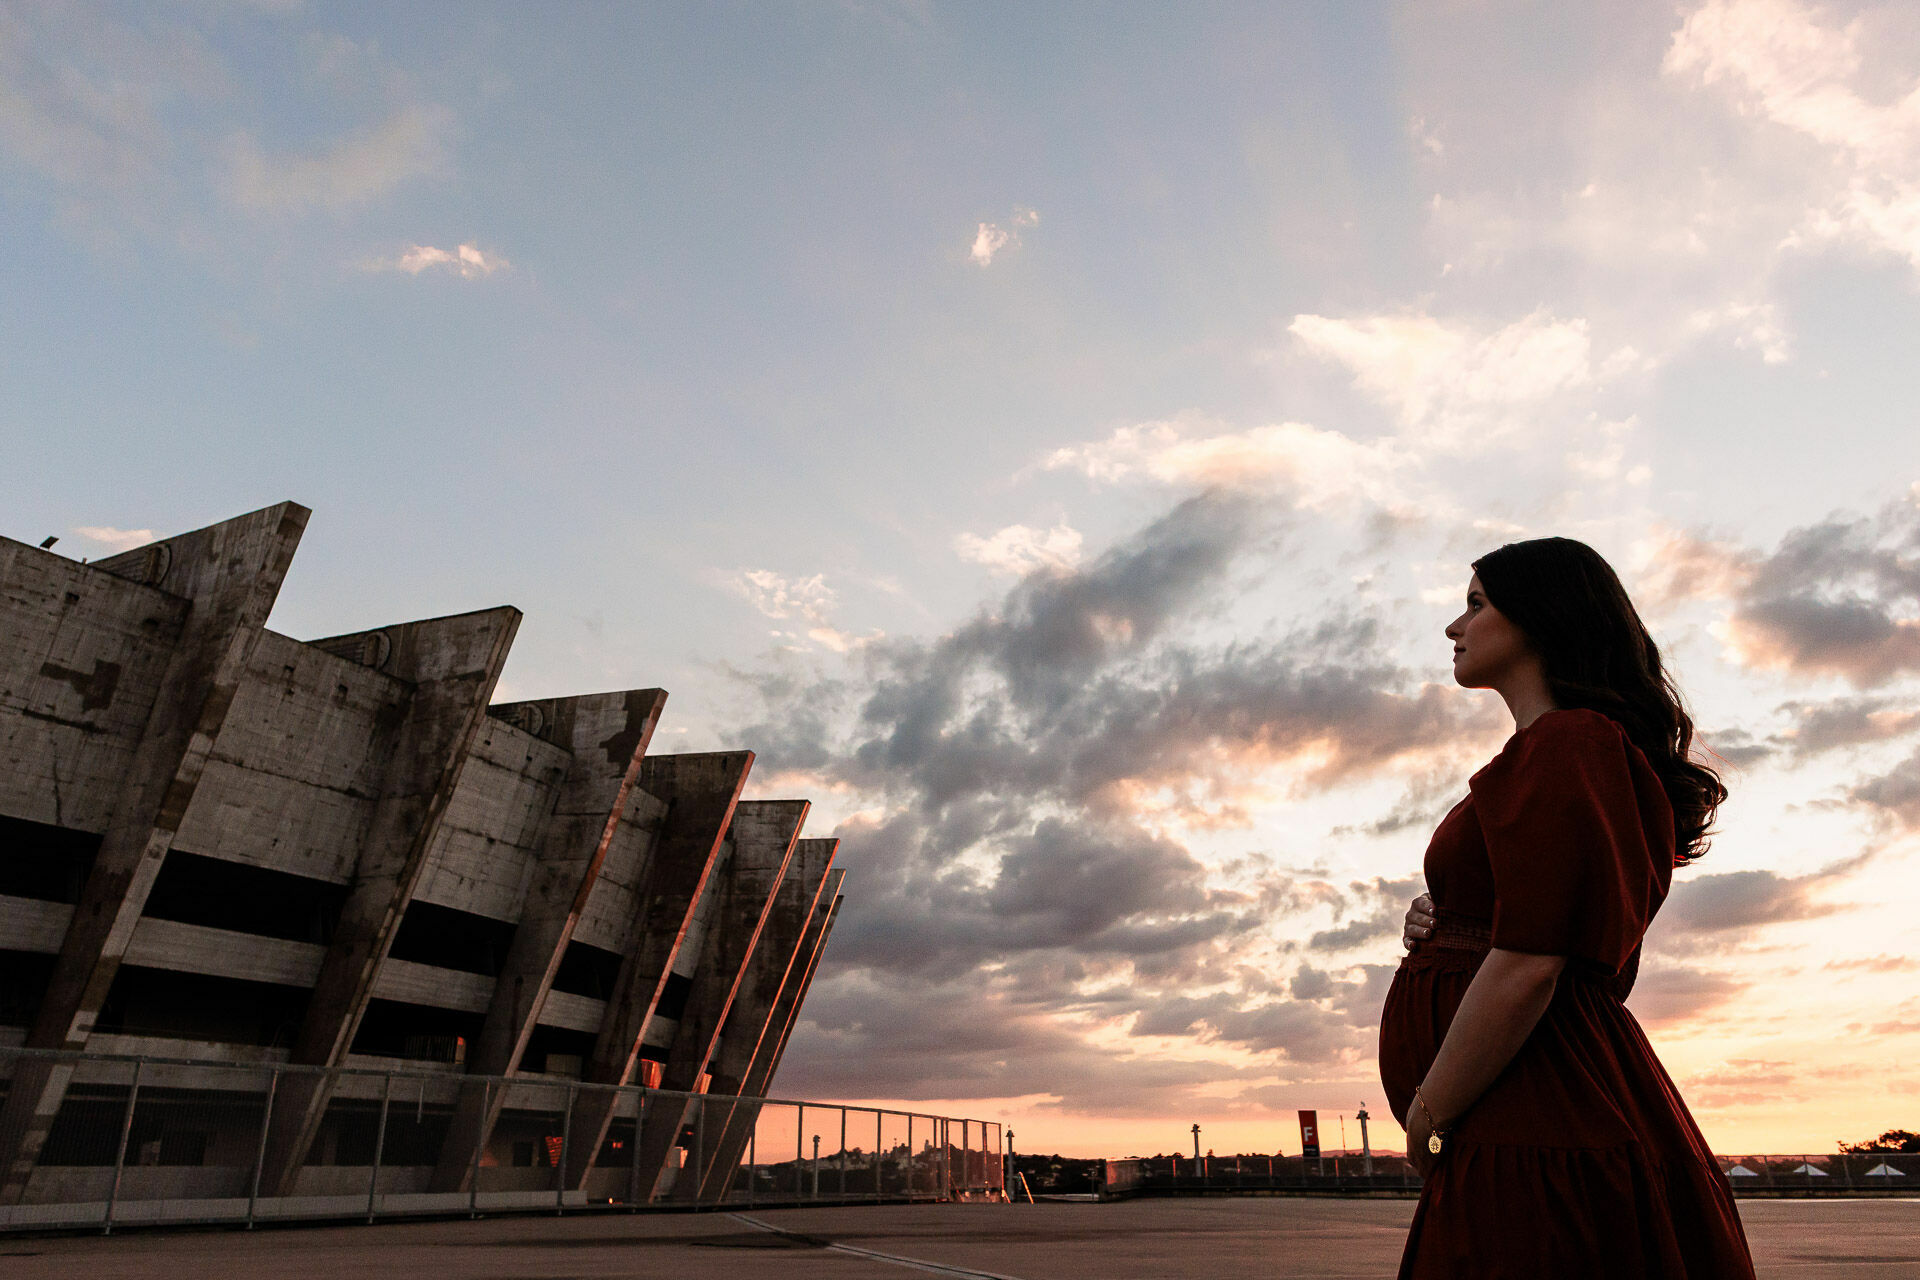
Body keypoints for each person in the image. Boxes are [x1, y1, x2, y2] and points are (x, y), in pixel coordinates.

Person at [1378, 537, 1756, 1278]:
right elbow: (1535, 925)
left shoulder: (1571, 742)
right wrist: (1445, 920)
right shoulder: (1557, 752)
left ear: (1541, 619)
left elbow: (1536, 960)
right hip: (1524, 1103)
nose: (1454, 628)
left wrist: (1429, 1116)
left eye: (1477, 604)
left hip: (1538, 1105)